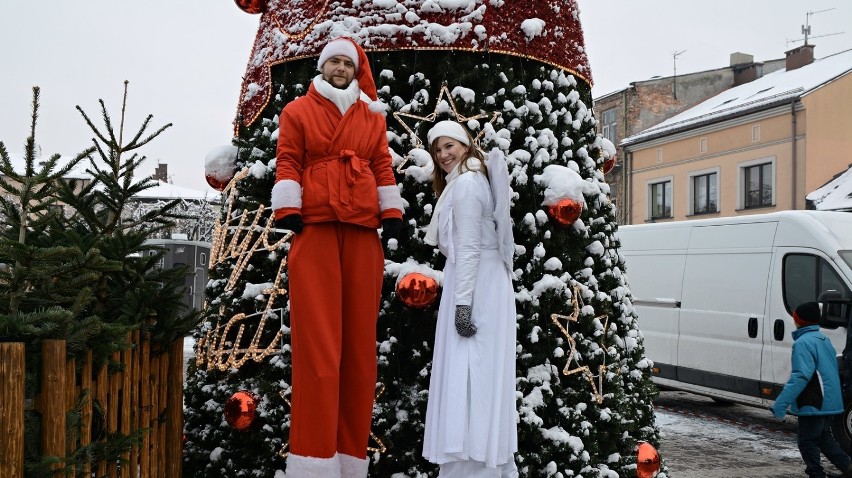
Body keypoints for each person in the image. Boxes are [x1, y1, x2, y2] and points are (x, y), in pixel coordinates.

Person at [271, 37, 404, 478]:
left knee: (360, 351)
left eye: (348, 62)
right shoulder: (297, 111)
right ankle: (313, 461)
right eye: (335, 62)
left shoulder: (371, 115)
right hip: (316, 230)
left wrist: (392, 210)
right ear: (323, 68)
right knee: (318, 348)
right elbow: (287, 159)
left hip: (363, 231)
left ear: (356, 68)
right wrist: (288, 207)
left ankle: (350, 460)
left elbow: (382, 164)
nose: (341, 68)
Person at [421, 120, 519, 477]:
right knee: (479, 373)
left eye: (450, 146)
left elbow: (469, 251)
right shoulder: (474, 180)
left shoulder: (464, 186)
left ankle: (471, 462)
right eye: (438, 150)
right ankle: (483, 460)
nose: (444, 155)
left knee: (470, 373)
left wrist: (462, 306)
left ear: (465, 145)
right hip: (483, 285)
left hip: (475, 287)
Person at [773, 301, 852, 478]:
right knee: (823, 438)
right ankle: (847, 467)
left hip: (814, 401)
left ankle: (816, 474)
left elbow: (800, 376)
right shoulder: (824, 340)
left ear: (799, 321)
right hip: (829, 399)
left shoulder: (803, 343)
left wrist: (781, 402)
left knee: (806, 441)